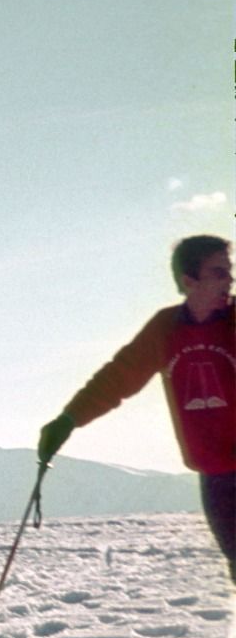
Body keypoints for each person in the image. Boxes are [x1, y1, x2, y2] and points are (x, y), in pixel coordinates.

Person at [38, 234, 234, 583]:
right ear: (190, 281)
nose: (230, 280)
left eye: (230, 271)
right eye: (219, 272)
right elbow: (118, 377)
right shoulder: (166, 328)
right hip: (216, 476)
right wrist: (68, 420)